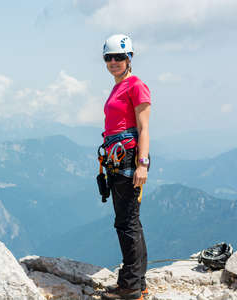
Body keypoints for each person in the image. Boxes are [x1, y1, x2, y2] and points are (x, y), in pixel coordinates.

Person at [100, 34, 151, 300]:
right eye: (109, 57)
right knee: (130, 222)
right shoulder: (118, 86)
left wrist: (142, 164)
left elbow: (144, 129)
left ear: (130, 58)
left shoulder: (136, 86)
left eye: (119, 57)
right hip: (119, 158)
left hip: (130, 159)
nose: (114, 62)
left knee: (126, 222)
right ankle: (136, 282)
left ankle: (131, 287)